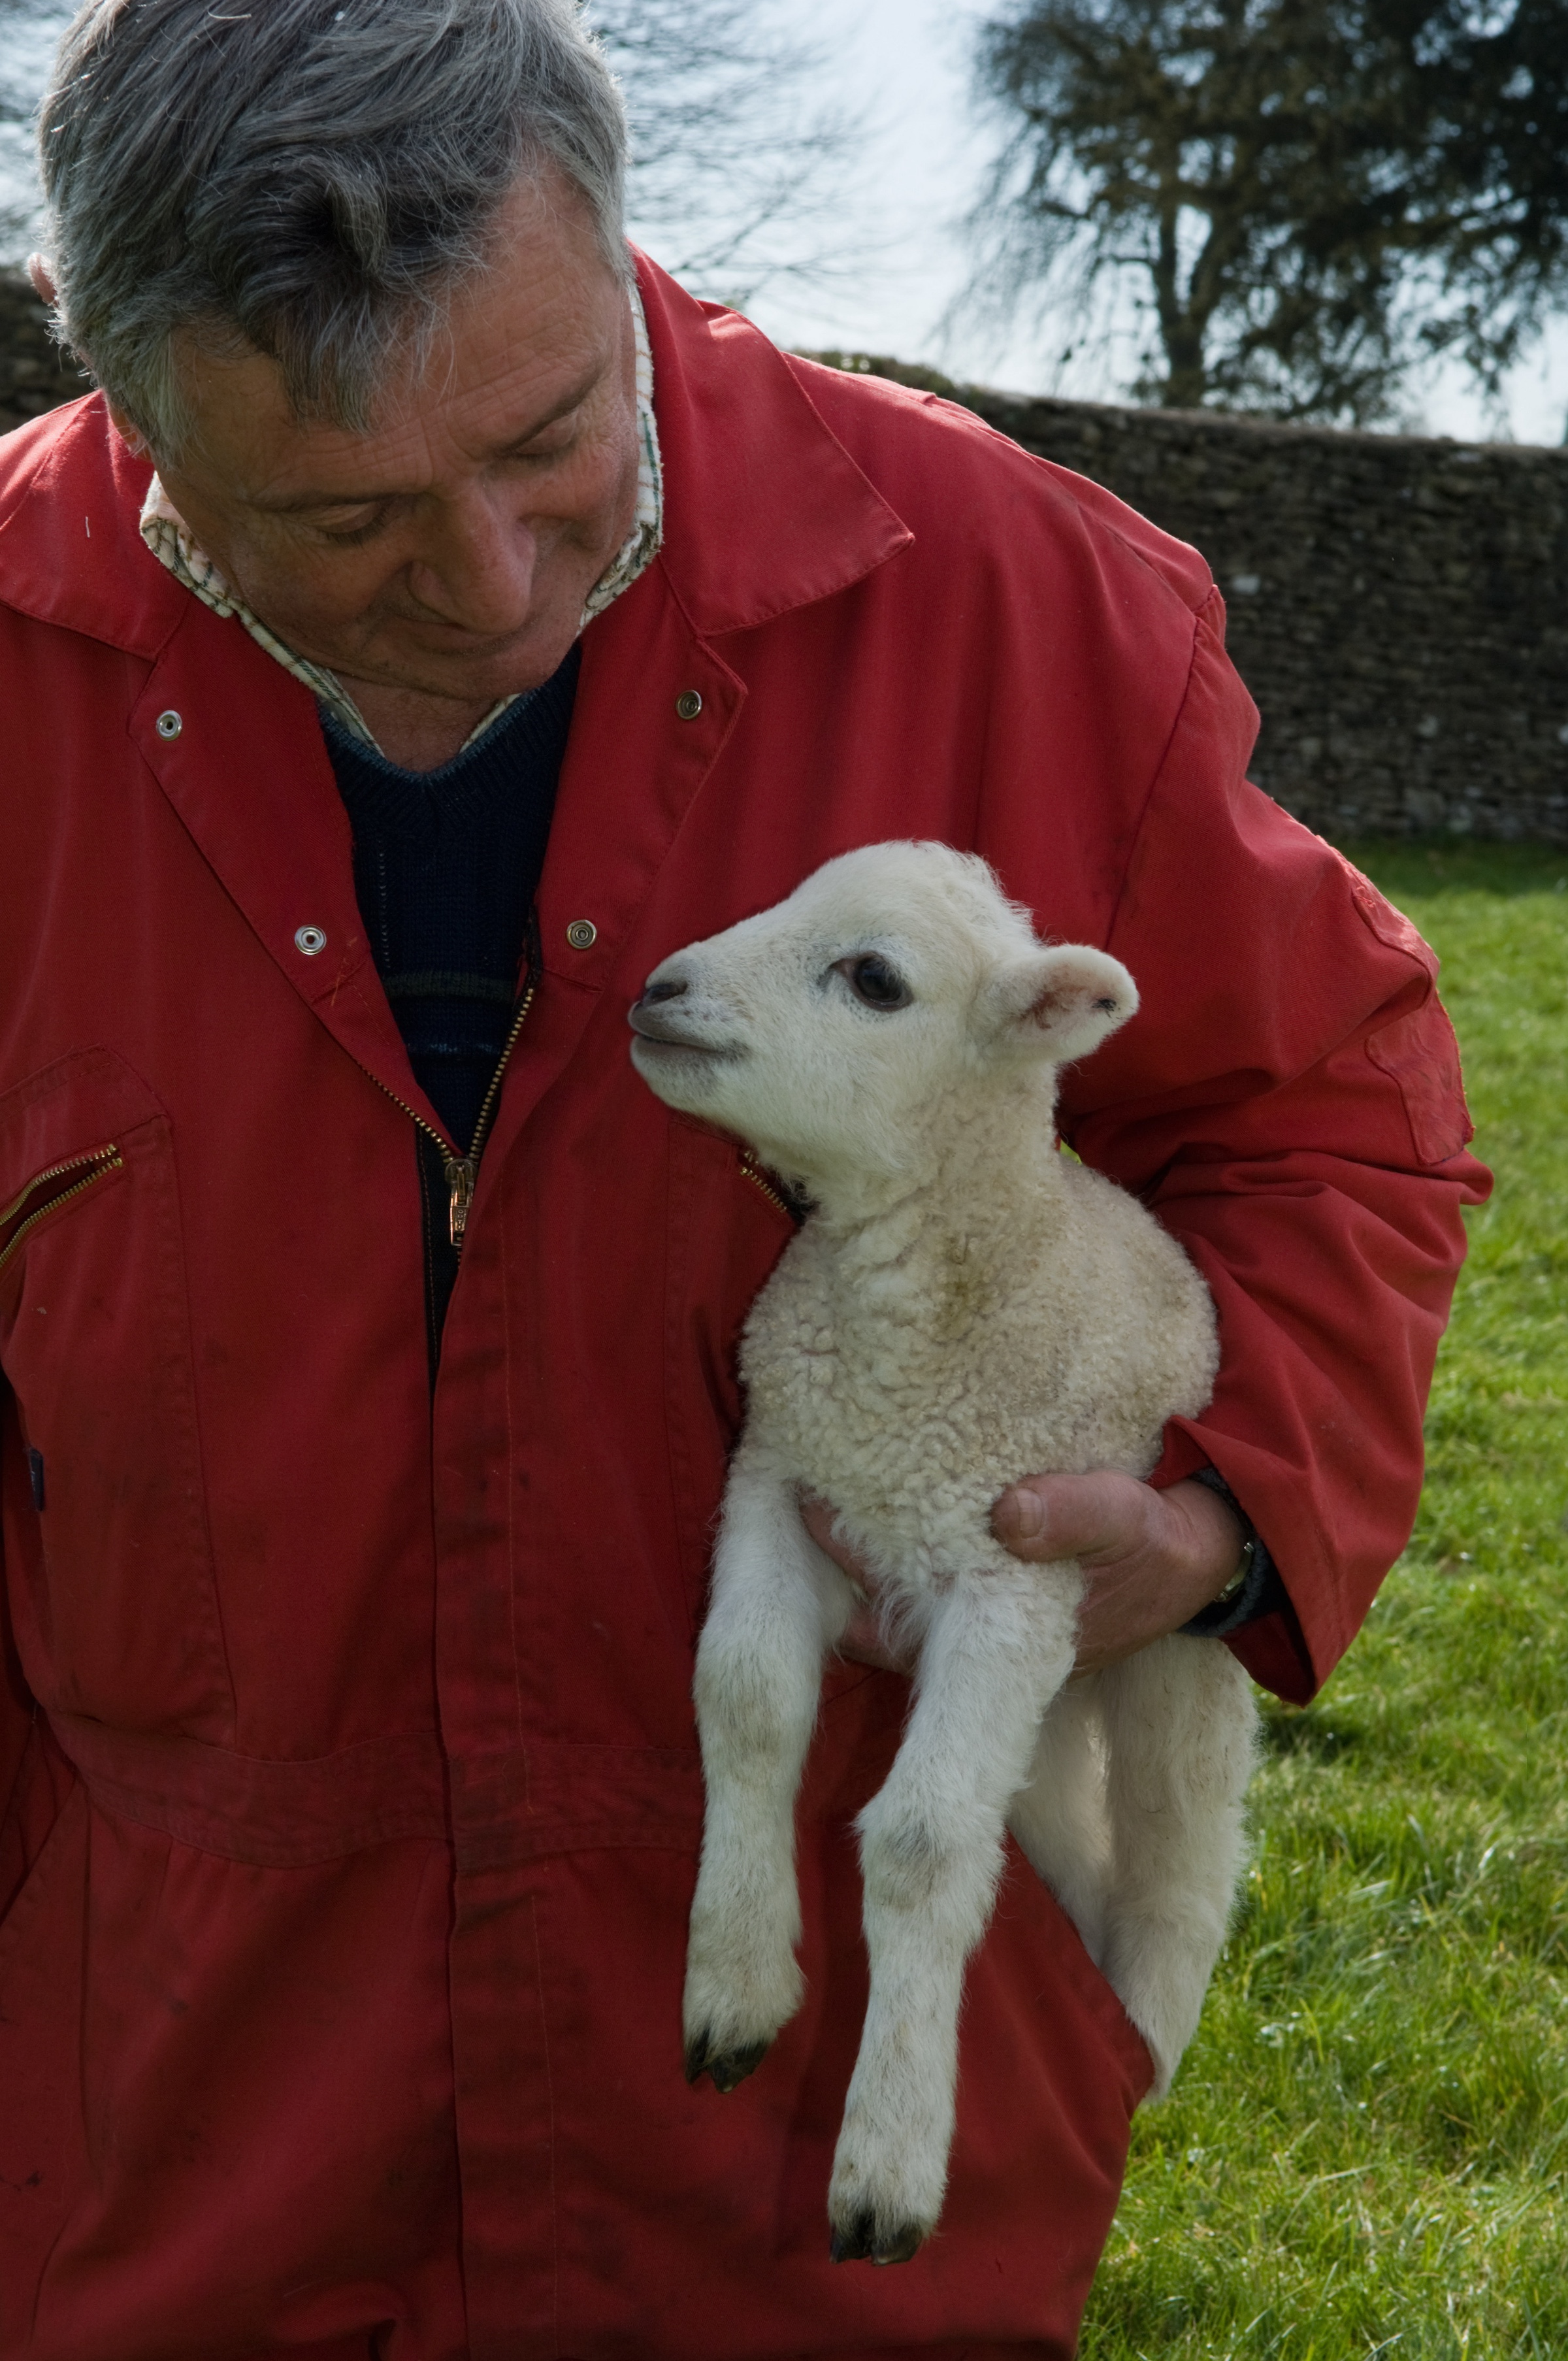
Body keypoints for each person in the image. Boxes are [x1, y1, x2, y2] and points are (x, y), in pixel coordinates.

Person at [0, 2, 1486, 2355]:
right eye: (344, 521)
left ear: (613, 239)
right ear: (117, 388)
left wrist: (1219, 1512)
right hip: (167, 2158)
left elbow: (1341, 1115)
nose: (486, 582)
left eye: (551, 438)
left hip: (819, 2184)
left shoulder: (1022, 601)